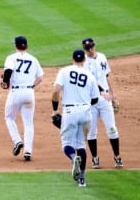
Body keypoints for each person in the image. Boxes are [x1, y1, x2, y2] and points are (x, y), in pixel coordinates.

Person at [51, 49, 99, 187]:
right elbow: (95, 99)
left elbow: (55, 91)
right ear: (84, 60)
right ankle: (82, 179)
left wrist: (55, 110)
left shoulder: (64, 71)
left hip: (70, 111)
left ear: (72, 58)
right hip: (85, 112)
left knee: (66, 144)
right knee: (81, 145)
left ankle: (73, 158)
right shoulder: (89, 75)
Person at [0, 36, 44, 162]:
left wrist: (4, 82)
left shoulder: (11, 58)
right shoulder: (33, 59)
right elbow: (40, 77)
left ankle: (17, 141)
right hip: (29, 93)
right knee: (28, 123)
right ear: (27, 46)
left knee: (9, 118)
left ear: (15, 46)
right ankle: (28, 152)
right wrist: (31, 86)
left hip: (16, 92)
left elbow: (8, 71)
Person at [82, 37, 123, 169]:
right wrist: (102, 91)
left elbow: (106, 77)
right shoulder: (83, 61)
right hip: (91, 101)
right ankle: (95, 158)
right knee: (91, 132)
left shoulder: (102, 57)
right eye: (87, 48)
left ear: (94, 46)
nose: (90, 50)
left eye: (91, 47)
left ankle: (117, 156)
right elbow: (92, 80)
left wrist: (112, 94)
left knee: (112, 129)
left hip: (105, 99)